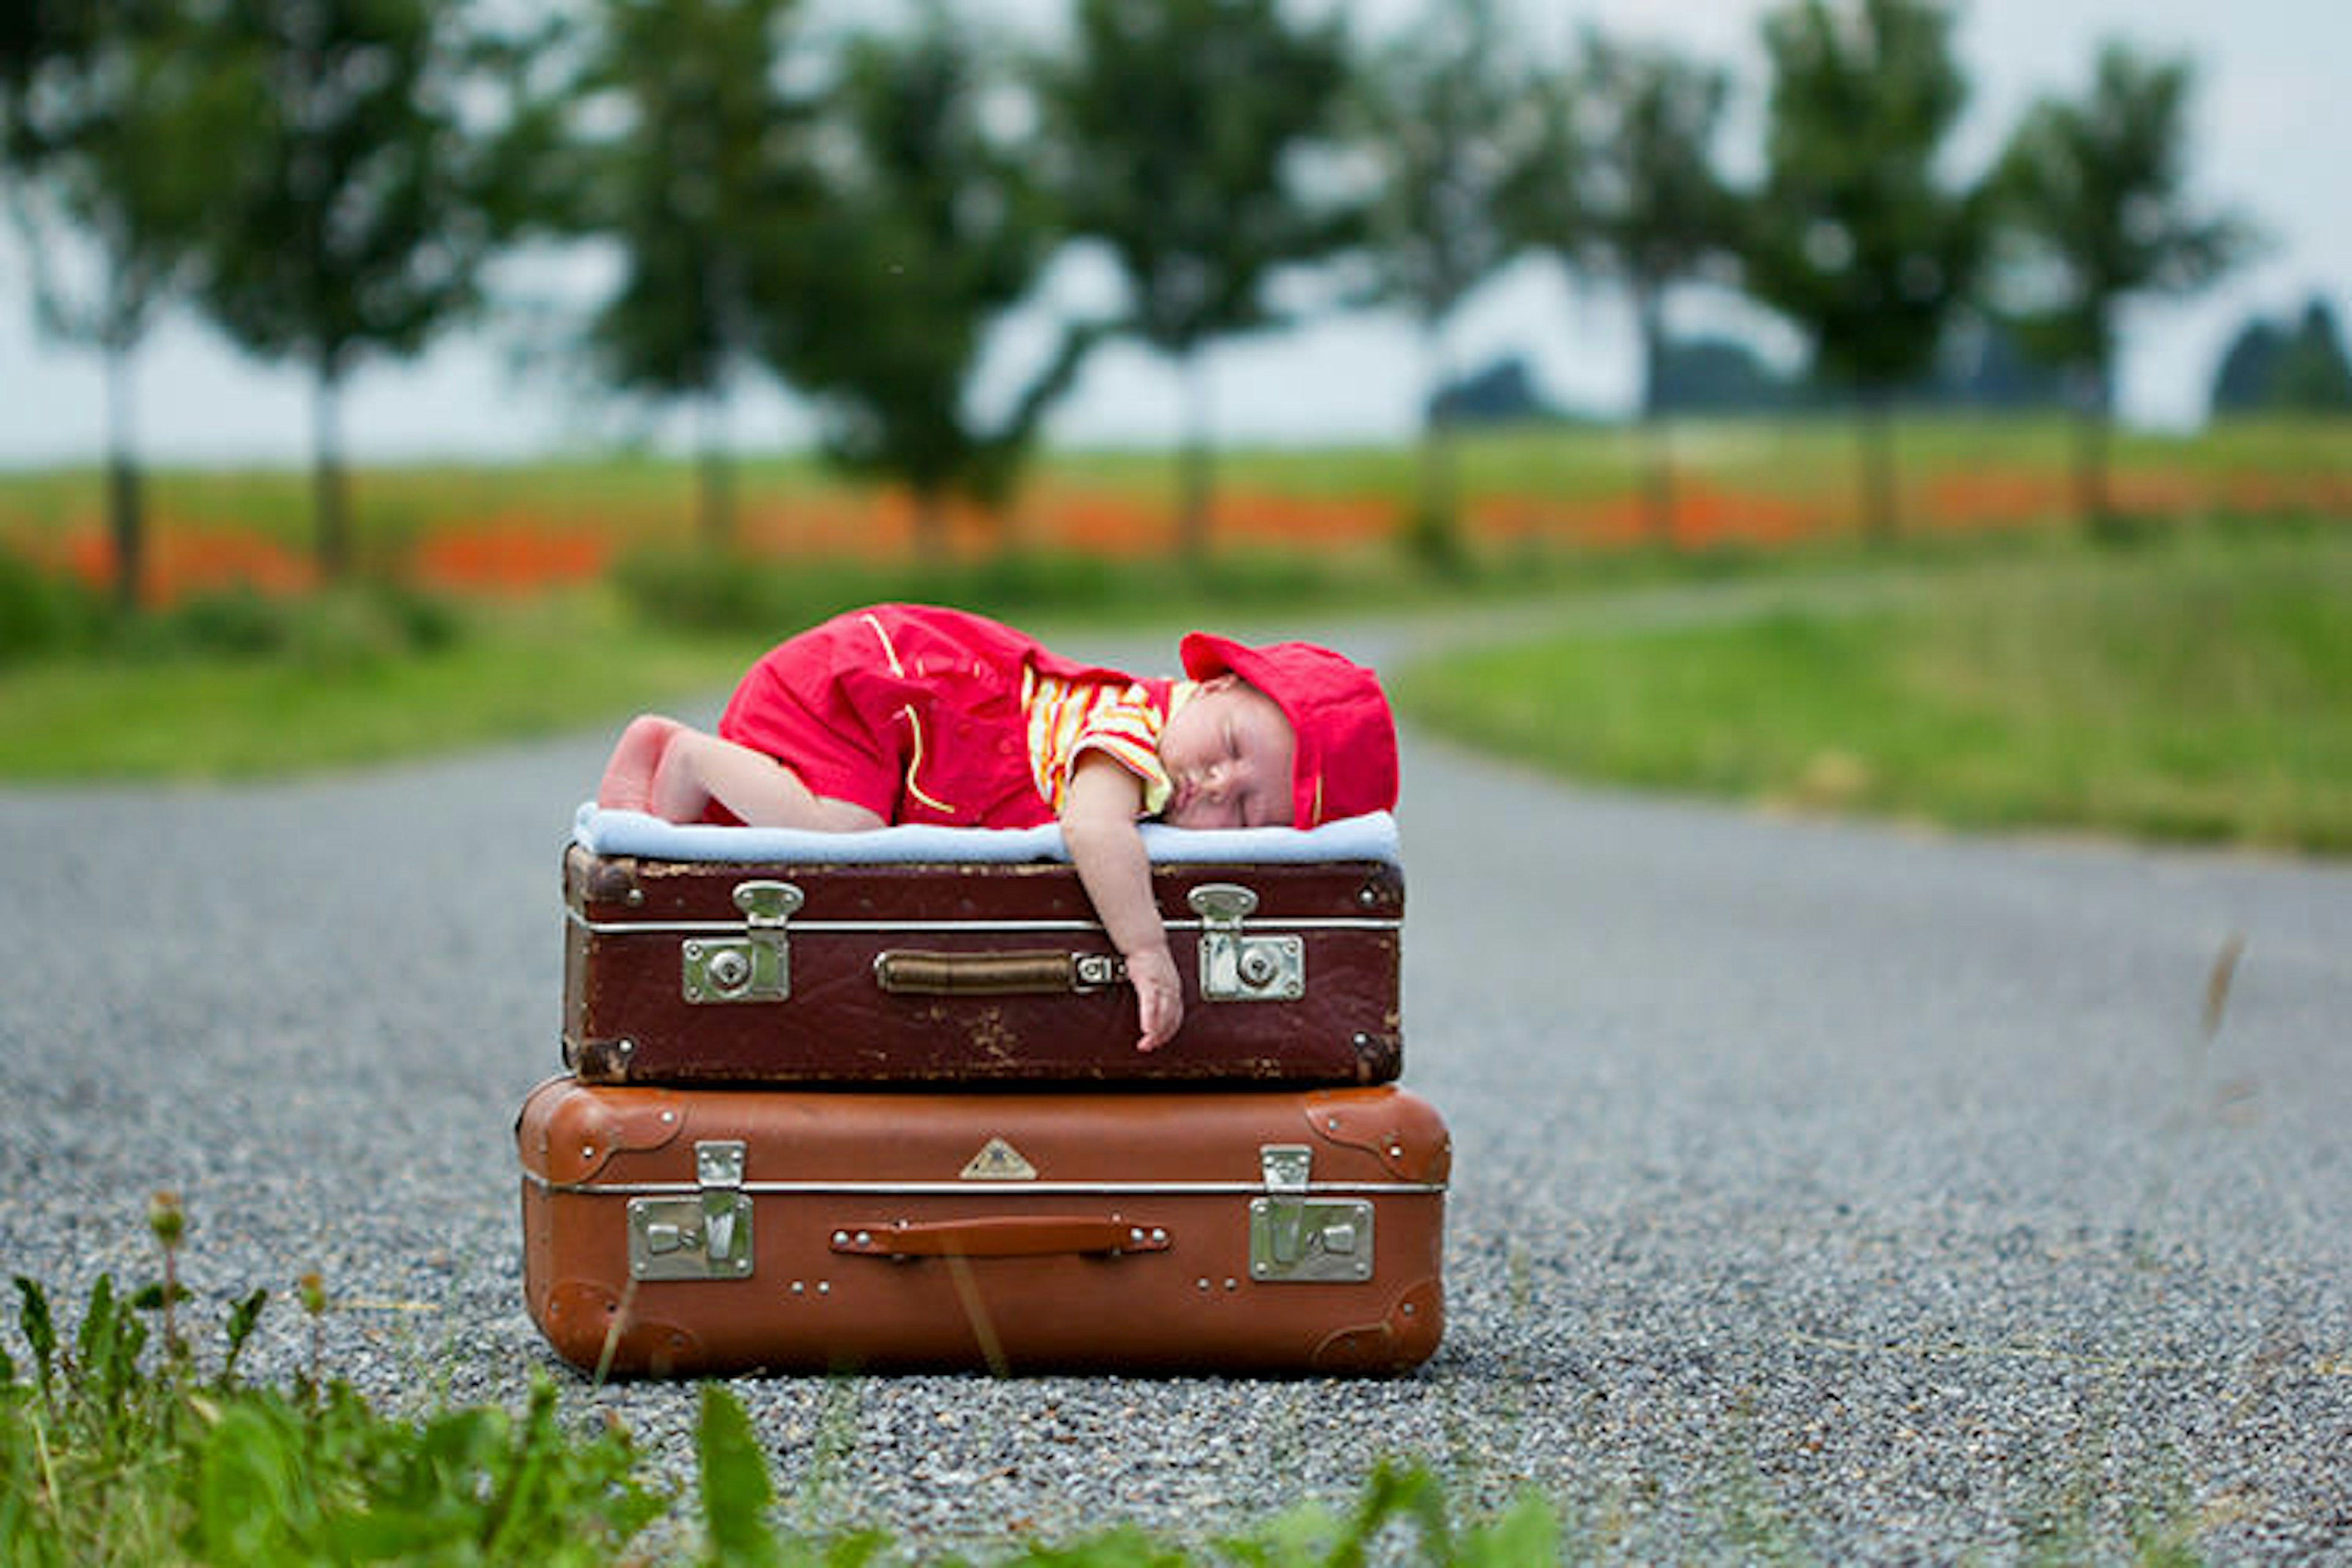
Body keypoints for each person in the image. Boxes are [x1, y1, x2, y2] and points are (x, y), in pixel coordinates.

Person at [597, 603, 1398, 1052]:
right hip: (878, 695)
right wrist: (1147, 950)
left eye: (1249, 811)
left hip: (895, 712)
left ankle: (697, 803)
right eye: (1227, 750)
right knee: (841, 834)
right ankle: (684, 756)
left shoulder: (1177, 734)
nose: (1214, 785)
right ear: (1213, 689)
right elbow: (1093, 830)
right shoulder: (1136, 735)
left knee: (799, 832)